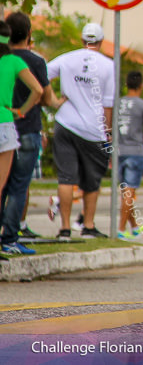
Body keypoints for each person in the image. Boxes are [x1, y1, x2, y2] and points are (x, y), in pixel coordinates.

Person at [46, 22, 115, 240]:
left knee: (66, 178)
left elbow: (41, 75)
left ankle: (65, 229)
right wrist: (108, 133)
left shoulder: (67, 58)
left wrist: (54, 101)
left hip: (65, 124)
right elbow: (108, 104)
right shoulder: (108, 65)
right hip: (94, 130)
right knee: (92, 180)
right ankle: (88, 226)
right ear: (101, 42)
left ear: (83, 40)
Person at [1, 13, 59, 253]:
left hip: (6, 125)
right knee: (18, 186)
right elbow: (45, 96)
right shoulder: (34, 61)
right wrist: (23, 111)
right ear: (28, 34)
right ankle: (10, 238)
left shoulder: (5, 58)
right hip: (25, 130)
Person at [0, 20, 44, 258]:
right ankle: (8, 240)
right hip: (9, 123)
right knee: (11, 186)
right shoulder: (19, 61)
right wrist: (22, 110)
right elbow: (38, 91)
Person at [117, 71, 143, 239]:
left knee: (126, 191)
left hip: (118, 151)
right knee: (129, 192)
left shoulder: (117, 103)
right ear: (141, 86)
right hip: (135, 151)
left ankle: (134, 226)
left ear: (126, 85)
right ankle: (120, 228)